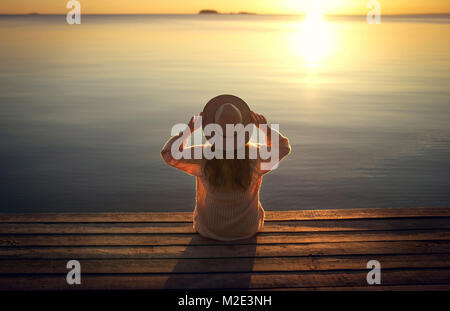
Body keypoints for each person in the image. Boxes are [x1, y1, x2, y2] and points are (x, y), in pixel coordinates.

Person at [161, 95, 291, 241]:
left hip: (209, 230)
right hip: (247, 229)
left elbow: (168, 153)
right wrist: (264, 129)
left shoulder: (203, 156)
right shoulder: (255, 156)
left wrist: (188, 131)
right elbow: (283, 147)